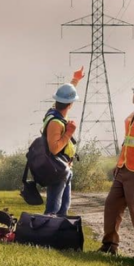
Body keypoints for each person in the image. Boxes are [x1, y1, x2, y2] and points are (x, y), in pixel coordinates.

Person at [99, 80, 134, 259]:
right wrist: (119, 163)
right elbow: (127, 143)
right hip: (124, 169)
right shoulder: (133, 116)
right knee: (111, 205)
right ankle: (109, 246)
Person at [43, 67, 84, 218]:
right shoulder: (56, 122)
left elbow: (66, 95)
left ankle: (57, 236)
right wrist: (69, 133)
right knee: (53, 210)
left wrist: (76, 80)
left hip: (64, 168)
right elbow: (54, 149)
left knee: (63, 209)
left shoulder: (53, 112)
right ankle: (45, 236)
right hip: (58, 169)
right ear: (71, 104)